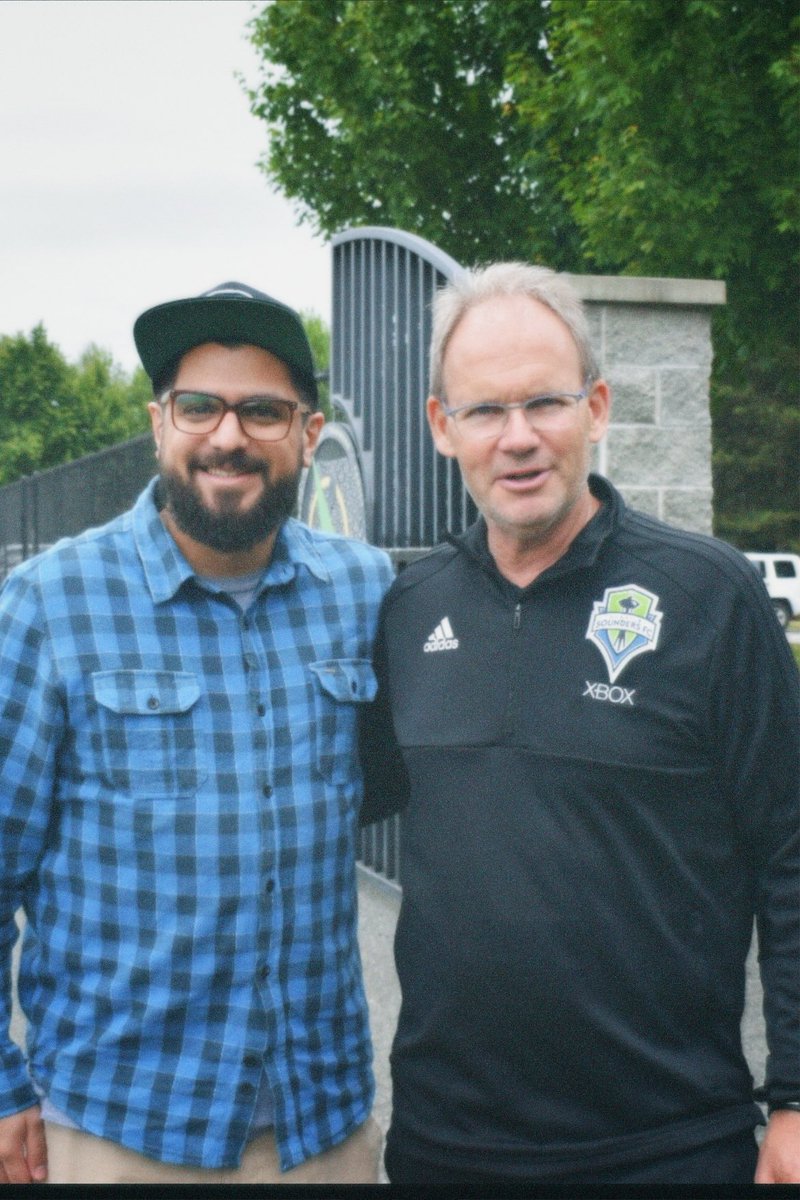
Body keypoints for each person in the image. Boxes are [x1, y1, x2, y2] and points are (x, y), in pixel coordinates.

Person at [360, 262, 800, 1186]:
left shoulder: (710, 597)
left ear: (596, 407)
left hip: (669, 1147)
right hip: (448, 1147)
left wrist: (796, 1100)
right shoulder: (408, 609)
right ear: (444, 428)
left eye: (545, 403)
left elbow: (792, 855)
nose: (518, 439)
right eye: (484, 411)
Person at [0, 282, 393, 1184]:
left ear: (308, 431)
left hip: (322, 1129)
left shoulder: (367, 594)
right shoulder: (51, 606)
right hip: (122, 1130)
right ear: (158, 422)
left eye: (262, 411)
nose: (228, 436)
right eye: (200, 407)